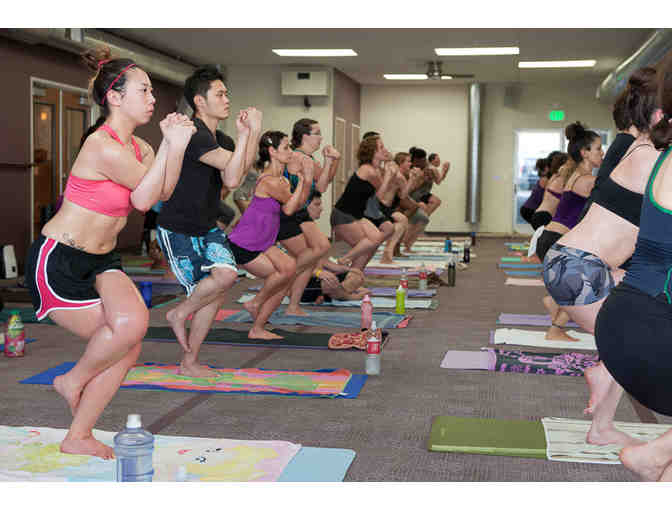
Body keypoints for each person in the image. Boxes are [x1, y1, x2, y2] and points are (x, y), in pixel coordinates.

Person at [23, 47, 196, 458]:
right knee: (126, 339)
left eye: (152, 90)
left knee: (129, 336)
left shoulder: (141, 148)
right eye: (144, 90)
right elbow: (143, 199)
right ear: (115, 97)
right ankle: (73, 385)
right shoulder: (101, 145)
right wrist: (172, 145)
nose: (152, 98)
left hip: (103, 259)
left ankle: (77, 434)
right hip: (60, 260)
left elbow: (164, 192)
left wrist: (175, 147)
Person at [541, 67, 661, 447]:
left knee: (642, 321)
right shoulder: (650, 156)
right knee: (641, 337)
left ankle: (602, 424)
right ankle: (607, 370)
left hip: (576, 264)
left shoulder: (640, 149)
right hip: (579, 266)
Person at [156, 65, 263, 377]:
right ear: (200, 101)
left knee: (223, 280)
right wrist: (247, 135)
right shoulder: (193, 133)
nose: (227, 99)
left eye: (227, 93)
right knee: (215, 288)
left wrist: (249, 135)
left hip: (206, 226)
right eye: (220, 94)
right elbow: (233, 172)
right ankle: (181, 322)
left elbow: (235, 176)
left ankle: (187, 351)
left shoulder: (221, 138)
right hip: (178, 228)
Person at [227, 131, 313, 339]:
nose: (291, 152)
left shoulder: (281, 180)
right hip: (245, 244)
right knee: (283, 276)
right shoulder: (269, 181)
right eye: (286, 147)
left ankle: (257, 325)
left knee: (289, 271)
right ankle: (255, 304)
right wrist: (304, 180)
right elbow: (290, 209)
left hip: (262, 242)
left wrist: (304, 180)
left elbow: (296, 204)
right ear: (272, 152)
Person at [536, 123, 602, 341]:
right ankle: (556, 327)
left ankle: (555, 305)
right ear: (584, 153)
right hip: (557, 240)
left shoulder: (575, 175)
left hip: (550, 238)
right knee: (587, 282)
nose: (602, 153)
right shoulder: (588, 181)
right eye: (598, 149)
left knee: (582, 282)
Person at [275, 118, 340, 316]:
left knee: (316, 252)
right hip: (288, 212)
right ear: (304, 136)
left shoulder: (309, 158)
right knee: (313, 253)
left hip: (300, 212)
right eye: (317, 133)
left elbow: (322, 185)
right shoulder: (296, 157)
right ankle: (279, 285)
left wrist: (331, 161)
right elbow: (317, 185)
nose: (321, 137)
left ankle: (292, 305)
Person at [331, 135, 398, 269]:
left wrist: (389, 173)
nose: (385, 150)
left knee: (376, 240)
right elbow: (380, 197)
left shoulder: (375, 170)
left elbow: (384, 195)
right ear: (372, 152)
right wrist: (388, 176)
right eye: (381, 147)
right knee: (372, 242)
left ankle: (355, 275)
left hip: (357, 215)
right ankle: (344, 260)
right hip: (343, 215)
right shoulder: (368, 170)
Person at [403, 146, 432, 253]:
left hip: (414, 201)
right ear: (416, 160)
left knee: (423, 218)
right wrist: (419, 180)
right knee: (417, 218)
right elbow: (407, 191)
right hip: (404, 201)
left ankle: (407, 245)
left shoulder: (423, 169)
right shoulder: (409, 171)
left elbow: (438, 180)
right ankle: (402, 244)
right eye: (423, 160)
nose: (425, 162)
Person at [519, 157, 550, 226]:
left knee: (541, 228)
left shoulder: (542, 178)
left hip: (528, 208)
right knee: (542, 228)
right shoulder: (545, 180)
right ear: (546, 168)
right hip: (530, 209)